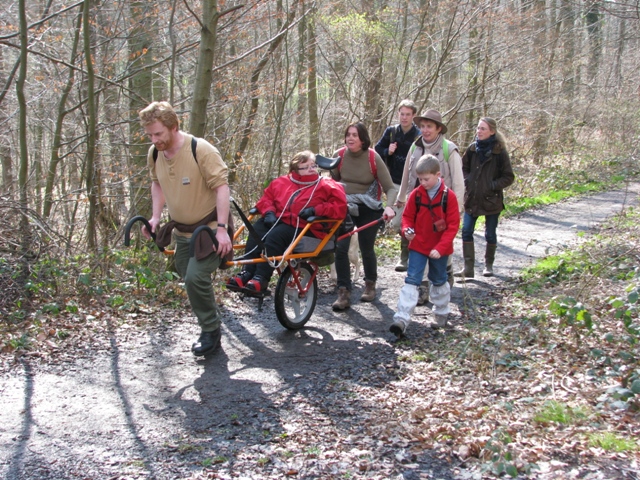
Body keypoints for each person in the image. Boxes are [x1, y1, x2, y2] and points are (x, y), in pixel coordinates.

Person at [139, 101, 232, 357]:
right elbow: (157, 183)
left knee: (195, 277)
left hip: (210, 227)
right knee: (184, 272)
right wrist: (155, 218)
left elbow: (222, 187)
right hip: (181, 230)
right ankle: (210, 317)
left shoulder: (200, 149)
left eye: (158, 134)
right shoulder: (155, 153)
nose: (154, 139)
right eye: (150, 135)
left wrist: (222, 229)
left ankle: (210, 331)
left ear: (173, 127)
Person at [226, 151, 347, 293]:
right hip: (280, 221)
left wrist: (316, 210)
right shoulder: (281, 182)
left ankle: (261, 278)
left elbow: (340, 207)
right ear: (295, 169)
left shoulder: (326, 185)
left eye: (313, 165)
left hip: (307, 228)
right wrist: (269, 212)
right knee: (257, 229)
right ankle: (246, 272)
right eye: (306, 166)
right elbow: (266, 199)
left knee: (276, 236)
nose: (312, 169)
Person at [396, 109, 464, 304]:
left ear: (438, 129)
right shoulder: (414, 147)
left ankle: (444, 275)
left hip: (442, 206)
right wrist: (402, 198)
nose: (425, 130)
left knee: (441, 247)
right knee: (419, 245)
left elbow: (458, 182)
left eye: (429, 127)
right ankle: (423, 287)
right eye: (423, 126)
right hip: (418, 205)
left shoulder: (448, 149)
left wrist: (456, 208)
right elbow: (407, 176)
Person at [390, 155, 460, 337]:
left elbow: (453, 226)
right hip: (418, 245)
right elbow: (407, 217)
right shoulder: (416, 194)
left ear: (438, 175)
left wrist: (441, 248)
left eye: (426, 179)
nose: (423, 182)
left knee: (438, 279)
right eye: (420, 179)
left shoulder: (448, 197)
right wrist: (407, 231)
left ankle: (441, 312)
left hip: (439, 248)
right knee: (412, 279)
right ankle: (402, 318)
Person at [330, 122, 397, 310]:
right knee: (341, 247)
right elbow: (333, 183)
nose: (350, 138)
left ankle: (370, 284)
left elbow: (390, 188)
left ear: (363, 139)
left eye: (355, 135)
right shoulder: (339, 155)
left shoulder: (373, 158)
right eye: (348, 134)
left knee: (366, 247)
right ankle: (343, 291)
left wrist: (389, 207)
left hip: (369, 206)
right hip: (346, 206)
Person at [455, 117, 514, 278]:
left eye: (483, 129)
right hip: (472, 198)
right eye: (478, 128)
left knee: (490, 233)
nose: (479, 131)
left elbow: (509, 177)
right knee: (466, 231)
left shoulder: (499, 151)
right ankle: (468, 268)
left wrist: (492, 185)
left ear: (492, 132)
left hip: (491, 200)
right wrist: (467, 180)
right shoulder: (472, 149)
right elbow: (462, 168)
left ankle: (488, 265)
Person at [374, 99, 421, 272]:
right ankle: (409, 252)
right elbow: (376, 150)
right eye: (402, 114)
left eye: (408, 114)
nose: (404, 117)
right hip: (394, 182)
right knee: (396, 223)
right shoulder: (392, 132)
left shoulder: (418, 135)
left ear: (413, 116)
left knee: (407, 221)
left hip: (413, 184)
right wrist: (388, 151)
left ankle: (405, 258)